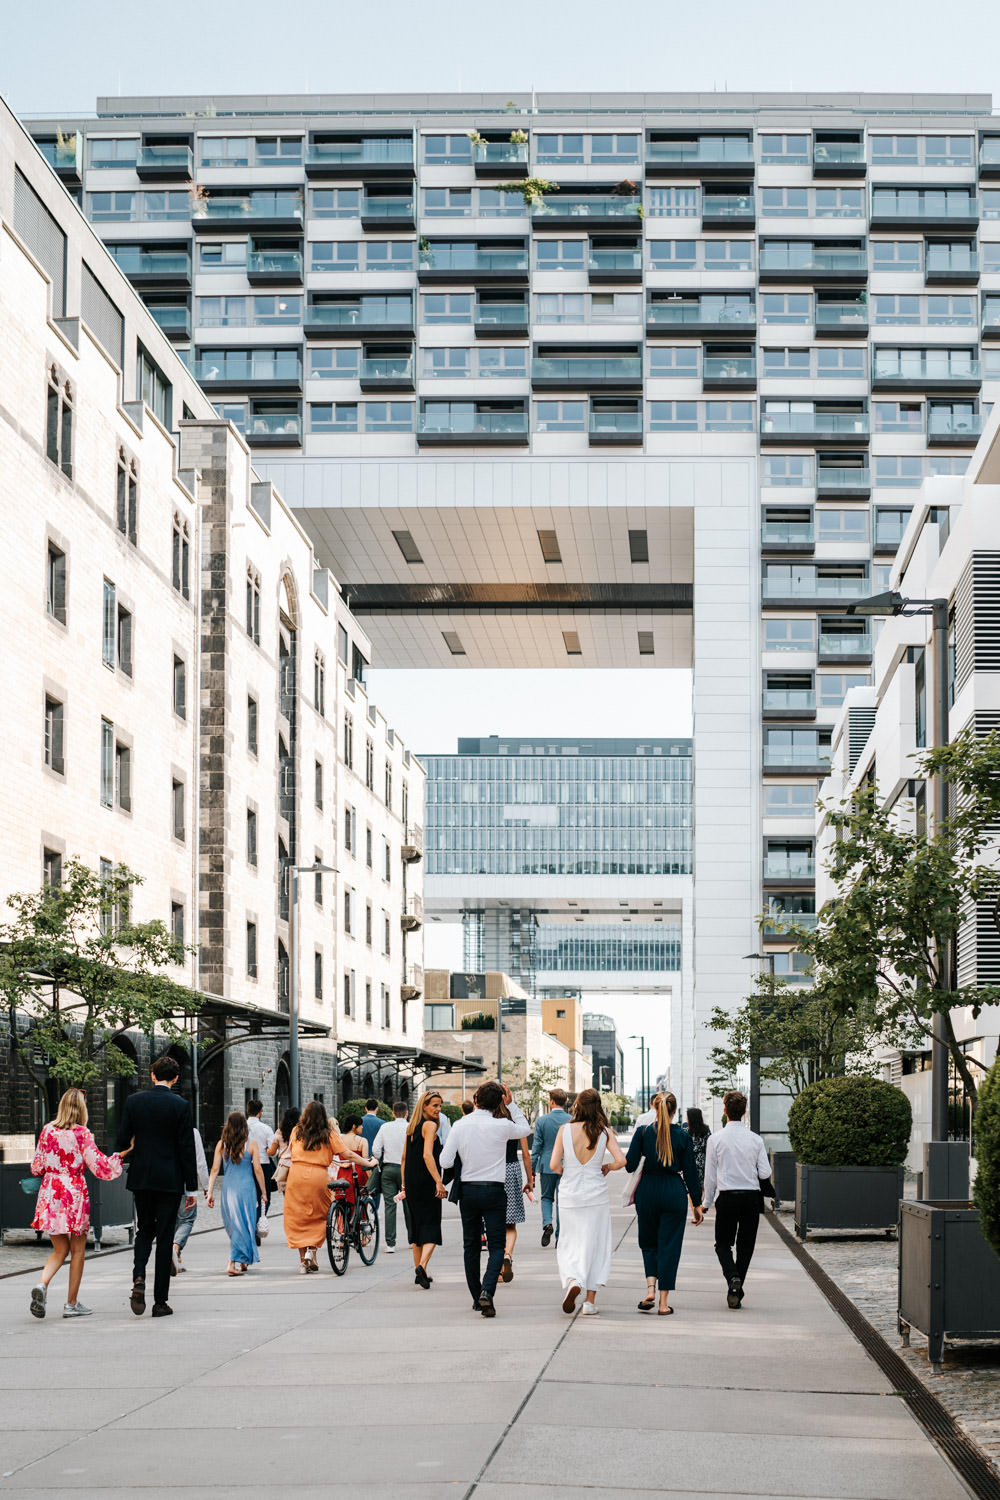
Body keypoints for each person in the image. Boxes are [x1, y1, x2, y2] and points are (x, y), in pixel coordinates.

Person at [28, 1088, 126, 1320]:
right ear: (82, 1109)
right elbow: (99, 1165)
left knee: (59, 1249)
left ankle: (42, 1285)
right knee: (78, 1250)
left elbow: (36, 1167)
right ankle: (71, 1304)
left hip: (51, 1192)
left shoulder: (47, 1131)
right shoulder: (83, 1134)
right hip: (73, 1194)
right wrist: (118, 1157)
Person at [115, 1055, 198, 1318]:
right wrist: (192, 1188)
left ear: (152, 1075)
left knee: (143, 1231)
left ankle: (138, 1277)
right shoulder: (181, 1105)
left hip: (142, 1177)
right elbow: (187, 1149)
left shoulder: (134, 1101)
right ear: (175, 1079)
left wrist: (130, 1149)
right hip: (170, 1180)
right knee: (164, 1237)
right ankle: (160, 1301)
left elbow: (120, 1139)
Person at [440, 1081, 531, 1318]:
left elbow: (445, 1162)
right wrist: (512, 1105)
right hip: (494, 1189)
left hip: (468, 1191)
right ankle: (487, 1291)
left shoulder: (460, 1125)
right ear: (499, 1101)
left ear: (476, 1099)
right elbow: (525, 1128)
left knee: (470, 1245)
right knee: (497, 1245)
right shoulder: (502, 1125)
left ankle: (475, 1295)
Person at [549, 1088, 626, 1316]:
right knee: (596, 1245)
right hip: (596, 1196)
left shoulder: (564, 1130)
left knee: (569, 1241)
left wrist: (568, 1171)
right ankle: (590, 1302)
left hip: (569, 1194)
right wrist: (607, 1167)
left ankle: (573, 1279)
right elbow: (621, 1160)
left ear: (578, 1106)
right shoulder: (604, 1132)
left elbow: (554, 1165)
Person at [626, 1093, 704, 1315]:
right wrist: (696, 1204)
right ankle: (662, 1303)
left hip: (647, 1190)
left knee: (648, 1241)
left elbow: (630, 1165)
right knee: (669, 1245)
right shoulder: (682, 1135)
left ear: (655, 1107)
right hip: (673, 1191)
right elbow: (690, 1172)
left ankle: (650, 1288)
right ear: (674, 1111)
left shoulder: (642, 1132)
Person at [701, 1088, 771, 1309]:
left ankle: (733, 1278)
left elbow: (710, 1176)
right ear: (744, 1112)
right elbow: (765, 1173)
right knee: (746, 1245)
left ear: (725, 1111)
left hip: (728, 1197)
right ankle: (736, 1288)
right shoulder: (756, 1140)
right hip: (751, 1198)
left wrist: (705, 1204)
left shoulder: (715, 1139)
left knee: (723, 1244)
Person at [283, 1101, 369, 1273]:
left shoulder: (296, 1131)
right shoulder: (328, 1134)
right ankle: (312, 1251)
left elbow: (291, 1152)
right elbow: (347, 1154)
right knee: (320, 1214)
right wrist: (366, 1162)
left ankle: (303, 1262)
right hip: (318, 1175)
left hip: (297, 1175)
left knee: (298, 1216)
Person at [207, 1112, 266, 1275]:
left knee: (235, 1225)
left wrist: (209, 1192)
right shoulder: (251, 1144)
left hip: (229, 1190)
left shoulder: (221, 1144)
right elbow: (258, 1170)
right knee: (246, 1223)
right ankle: (232, 1262)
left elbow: (214, 1170)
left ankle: (243, 1260)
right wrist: (264, 1191)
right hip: (247, 1189)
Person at [401, 1091, 447, 1288]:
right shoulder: (429, 1126)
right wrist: (438, 1181)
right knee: (432, 1225)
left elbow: (403, 1158)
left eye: (440, 1106)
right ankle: (422, 1266)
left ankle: (421, 1273)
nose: (438, 1109)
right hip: (426, 1180)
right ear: (425, 1107)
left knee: (417, 1227)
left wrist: (404, 1183)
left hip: (412, 1182)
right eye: (435, 1105)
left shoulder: (411, 1128)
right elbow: (428, 1156)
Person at [531, 1088, 572, 1247]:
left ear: (552, 1101)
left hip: (547, 1165)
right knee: (562, 1201)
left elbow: (536, 1147)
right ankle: (559, 1237)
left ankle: (547, 1223)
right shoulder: (572, 1120)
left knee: (546, 1198)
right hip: (565, 1166)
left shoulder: (542, 1121)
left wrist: (531, 1169)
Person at [500, 1101, 534, 1283]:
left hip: (494, 1171)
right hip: (512, 1169)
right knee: (511, 1224)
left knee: (494, 1223)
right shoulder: (515, 1123)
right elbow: (526, 1155)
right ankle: (508, 1254)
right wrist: (530, 1180)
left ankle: (497, 1266)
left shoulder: (491, 1120)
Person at [371, 1101, 408, 1253]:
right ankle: (413, 1239)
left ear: (393, 1113)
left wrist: (381, 1157)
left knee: (389, 1205)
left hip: (388, 1169)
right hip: (406, 1170)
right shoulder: (410, 1127)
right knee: (409, 1205)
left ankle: (390, 1243)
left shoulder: (385, 1127)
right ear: (406, 1113)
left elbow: (375, 1149)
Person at [172, 1126, 209, 1274]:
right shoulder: (192, 1132)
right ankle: (175, 1248)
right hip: (185, 1179)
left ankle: (176, 1258)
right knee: (187, 1218)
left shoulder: (162, 1128)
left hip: (164, 1181)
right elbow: (199, 1161)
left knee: (171, 1218)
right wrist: (206, 1185)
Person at [246, 1098, 276, 1222]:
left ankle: (250, 1222)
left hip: (246, 1165)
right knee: (264, 1198)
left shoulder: (242, 1128)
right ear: (260, 1112)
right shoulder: (266, 1128)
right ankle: (257, 1221)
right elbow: (274, 1152)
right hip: (263, 1164)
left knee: (249, 1198)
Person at [336, 1114, 370, 1210]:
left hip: (342, 1173)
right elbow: (365, 1162)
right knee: (359, 1201)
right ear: (354, 1126)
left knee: (342, 1200)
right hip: (358, 1173)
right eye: (360, 1125)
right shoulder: (362, 1141)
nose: (362, 1127)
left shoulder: (339, 1140)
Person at [683, 1107, 712, 1223]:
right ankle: (701, 1207)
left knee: (691, 1189)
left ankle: (696, 1214)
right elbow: (709, 1145)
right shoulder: (706, 1130)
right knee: (703, 1187)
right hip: (703, 1161)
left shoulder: (686, 1131)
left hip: (690, 1161)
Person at [268, 1106, 300, 1193]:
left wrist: (266, 1149)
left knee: (286, 1195)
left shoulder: (279, 1131)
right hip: (297, 1164)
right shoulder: (301, 1132)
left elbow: (272, 1152)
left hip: (283, 1166)